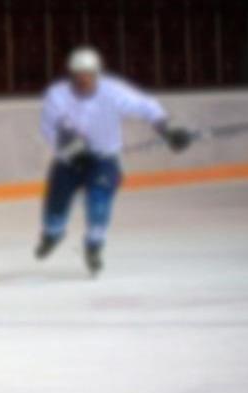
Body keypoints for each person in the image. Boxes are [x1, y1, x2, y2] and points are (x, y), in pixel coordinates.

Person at [36, 46, 193, 275]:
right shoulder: (57, 95)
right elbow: (51, 126)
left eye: (88, 74)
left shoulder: (111, 91)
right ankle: (53, 234)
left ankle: (94, 246)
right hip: (68, 161)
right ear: (71, 74)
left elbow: (145, 106)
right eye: (78, 74)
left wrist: (167, 127)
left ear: (97, 73)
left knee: (99, 203)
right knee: (55, 206)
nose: (83, 79)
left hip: (103, 160)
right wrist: (71, 148)